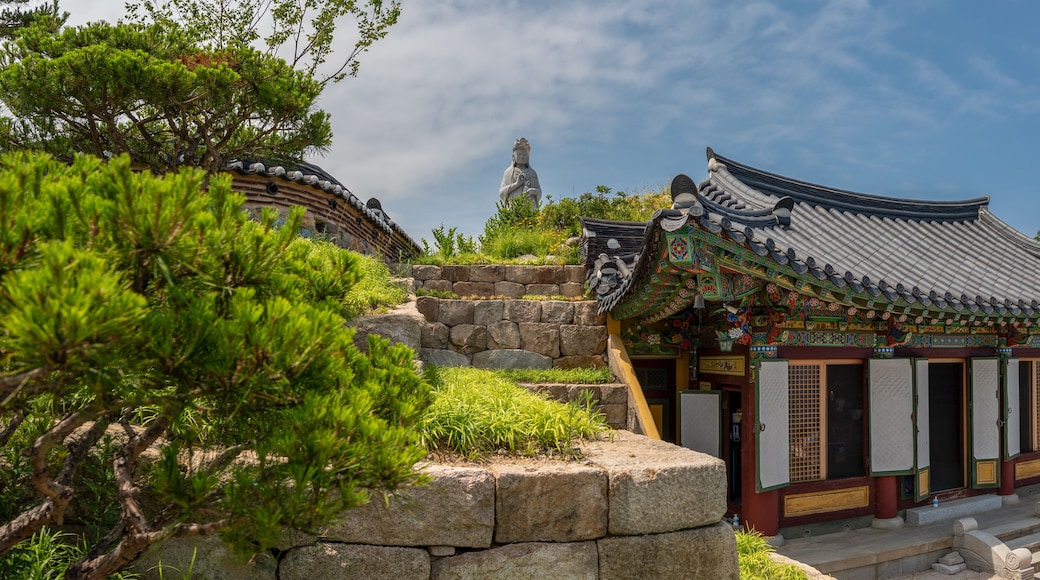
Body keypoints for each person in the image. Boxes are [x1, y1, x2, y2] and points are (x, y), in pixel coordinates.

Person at [498, 137, 541, 209]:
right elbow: (501, 192)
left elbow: (539, 191)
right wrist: (516, 184)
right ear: (513, 157)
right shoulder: (508, 172)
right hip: (513, 207)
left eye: (524, 155)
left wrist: (533, 191)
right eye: (519, 154)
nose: (522, 156)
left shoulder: (532, 173)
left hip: (530, 208)